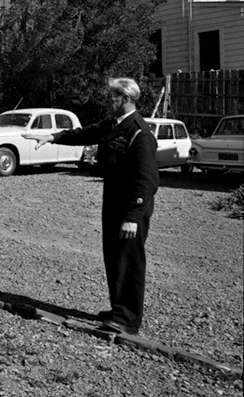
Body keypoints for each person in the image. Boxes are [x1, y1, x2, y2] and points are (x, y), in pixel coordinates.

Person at [21, 77, 158, 335]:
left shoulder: (140, 133)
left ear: (126, 99)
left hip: (130, 206)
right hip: (113, 199)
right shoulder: (113, 124)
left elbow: (146, 180)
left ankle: (128, 320)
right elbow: (84, 134)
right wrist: (51, 136)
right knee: (114, 256)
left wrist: (133, 216)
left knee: (129, 260)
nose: (107, 101)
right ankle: (118, 308)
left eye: (112, 97)